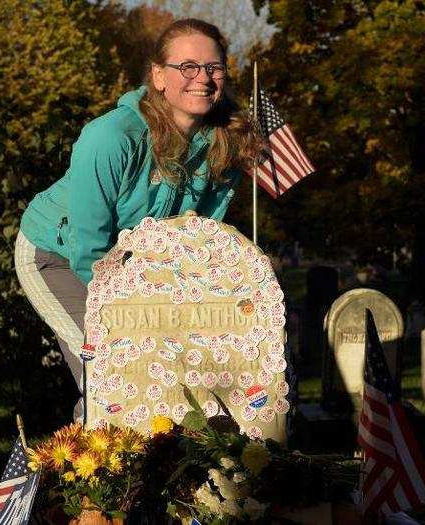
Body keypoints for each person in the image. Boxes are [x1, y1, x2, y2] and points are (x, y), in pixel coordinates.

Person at [14, 18, 261, 419]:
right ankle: (92, 473)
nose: (203, 78)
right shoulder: (112, 137)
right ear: (159, 76)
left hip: (136, 270)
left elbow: (200, 239)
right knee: (112, 371)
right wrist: (134, 321)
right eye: (188, 67)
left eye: (214, 68)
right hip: (58, 257)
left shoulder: (225, 144)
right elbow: (88, 247)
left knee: (172, 373)